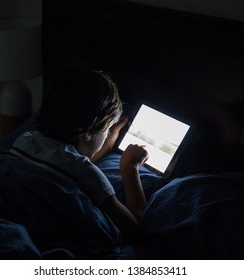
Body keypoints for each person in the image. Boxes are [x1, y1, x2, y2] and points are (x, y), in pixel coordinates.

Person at [10, 66, 149, 242]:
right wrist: (130, 167)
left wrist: (107, 140)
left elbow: (65, 162)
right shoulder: (86, 172)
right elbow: (133, 229)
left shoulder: (25, 140)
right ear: (90, 129)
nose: (106, 135)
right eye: (106, 129)